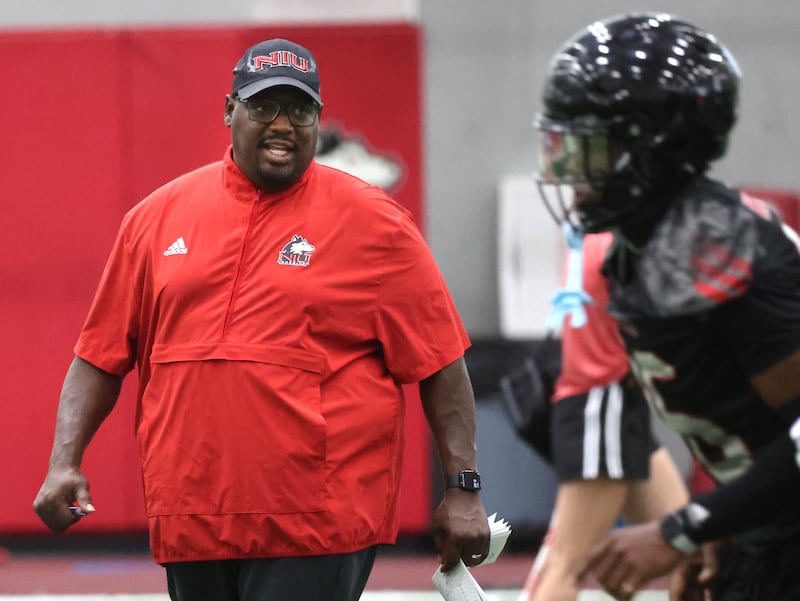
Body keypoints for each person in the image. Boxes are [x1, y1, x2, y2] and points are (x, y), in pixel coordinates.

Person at [32, 37, 490, 601]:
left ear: (318, 119)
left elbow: (442, 361)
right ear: (230, 111)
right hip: (192, 514)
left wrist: (463, 489)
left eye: (300, 110)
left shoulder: (378, 225)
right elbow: (98, 356)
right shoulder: (155, 219)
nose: (283, 124)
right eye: (263, 107)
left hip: (317, 519)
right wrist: (63, 463)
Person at [533, 12, 800, 601]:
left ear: (656, 147)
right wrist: (728, 524)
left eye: (593, 150)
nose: (571, 173)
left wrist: (687, 525)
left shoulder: (727, 255)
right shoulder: (636, 253)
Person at [514, 229, 688, 601]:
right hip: (603, 405)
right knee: (569, 563)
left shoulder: (590, 239)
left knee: (688, 550)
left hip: (615, 405)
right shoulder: (618, 245)